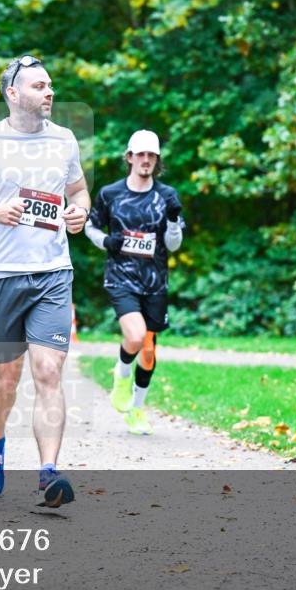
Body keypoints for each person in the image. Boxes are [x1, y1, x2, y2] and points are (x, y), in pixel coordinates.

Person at [0, 54, 90, 508]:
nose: (49, 92)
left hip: (53, 273)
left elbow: (78, 191)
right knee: (6, 379)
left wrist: (80, 211)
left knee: (49, 371)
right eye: (39, 86)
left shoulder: (64, 140)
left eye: (51, 85)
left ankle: (49, 473)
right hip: (3, 276)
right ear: (13, 93)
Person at [84, 130, 184, 435]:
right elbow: (89, 225)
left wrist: (172, 224)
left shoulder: (167, 196)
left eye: (151, 155)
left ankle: (137, 409)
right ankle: (122, 372)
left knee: (149, 350)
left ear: (157, 161)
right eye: (140, 154)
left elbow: (174, 244)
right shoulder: (110, 194)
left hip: (155, 282)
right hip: (121, 278)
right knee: (136, 336)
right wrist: (107, 242)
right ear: (129, 157)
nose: (146, 160)